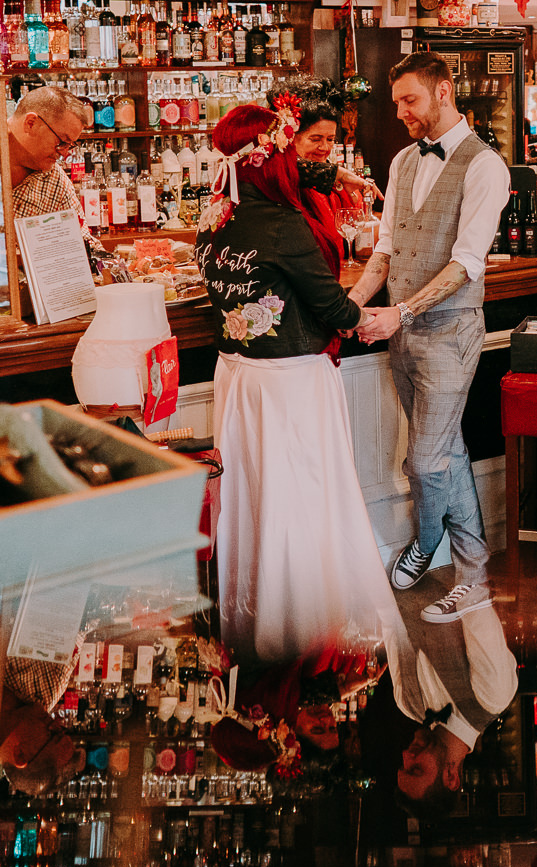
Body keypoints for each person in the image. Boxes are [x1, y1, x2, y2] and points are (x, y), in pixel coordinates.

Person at [197, 101, 404, 664]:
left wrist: (339, 174)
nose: (298, 159)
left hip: (237, 375)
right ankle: (303, 616)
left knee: (252, 491)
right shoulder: (287, 226)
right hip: (291, 380)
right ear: (271, 159)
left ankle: (256, 610)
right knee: (303, 491)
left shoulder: (217, 217)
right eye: (290, 149)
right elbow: (334, 307)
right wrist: (374, 311)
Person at [349, 52, 511, 623]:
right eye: (397, 103)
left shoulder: (486, 166)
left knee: (424, 459)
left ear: (444, 91)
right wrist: (351, 303)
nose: (400, 114)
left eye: (409, 100)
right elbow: (387, 248)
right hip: (405, 334)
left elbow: (467, 262)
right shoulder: (401, 162)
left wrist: (402, 312)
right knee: (446, 453)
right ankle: (476, 575)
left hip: (450, 333)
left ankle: (424, 543)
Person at [390, 577, 517, 823]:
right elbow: (472, 593)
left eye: (403, 764)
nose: (407, 754)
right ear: (451, 777)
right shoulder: (493, 696)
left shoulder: (405, 703)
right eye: (416, 768)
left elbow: (388, 614)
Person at [290, 100, 383, 268]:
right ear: (291, 138)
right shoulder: (286, 181)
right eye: (315, 139)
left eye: (330, 139)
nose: (325, 147)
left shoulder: (335, 179)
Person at [5, 84, 90, 219]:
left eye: (69, 145)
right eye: (62, 142)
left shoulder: (55, 179)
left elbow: (82, 236)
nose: (64, 153)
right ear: (31, 123)